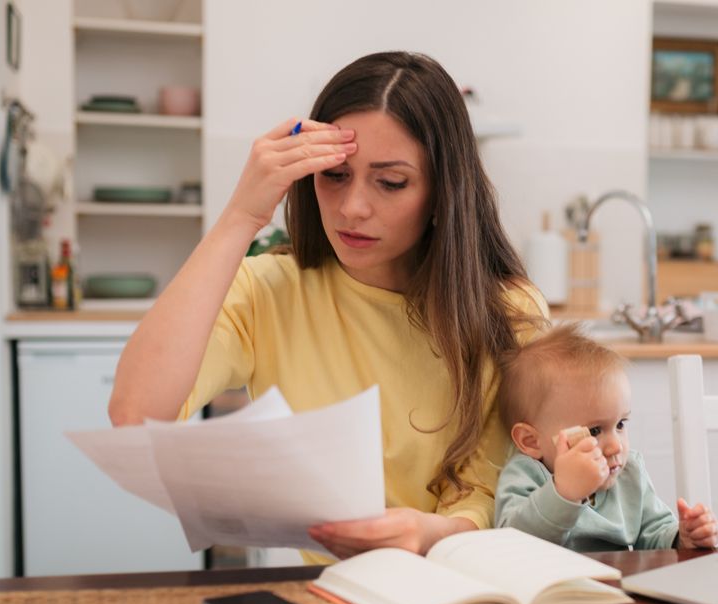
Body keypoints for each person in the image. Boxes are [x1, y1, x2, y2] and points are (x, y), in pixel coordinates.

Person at [108, 52, 547, 562]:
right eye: (334, 175)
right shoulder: (269, 291)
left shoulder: (508, 309)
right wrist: (240, 216)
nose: (353, 208)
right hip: (332, 599)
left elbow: (514, 495)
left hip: (475, 590)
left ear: (442, 196)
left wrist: (432, 535)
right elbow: (137, 415)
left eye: (391, 182)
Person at [494, 324, 718, 552]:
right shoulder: (524, 476)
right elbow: (512, 544)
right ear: (531, 441)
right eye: (594, 431)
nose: (615, 446)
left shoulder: (629, 472)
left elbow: (655, 532)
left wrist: (682, 537)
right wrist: (563, 492)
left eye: (620, 424)